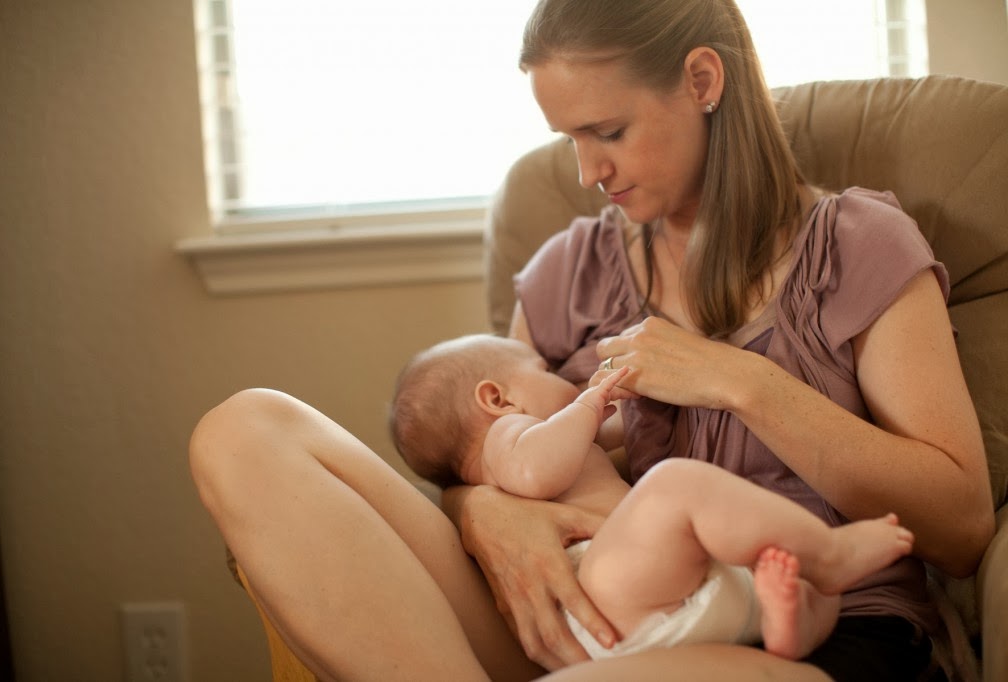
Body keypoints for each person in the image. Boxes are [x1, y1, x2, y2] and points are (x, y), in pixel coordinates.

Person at [189, 0, 995, 680]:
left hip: (807, 631)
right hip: (585, 616)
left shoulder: (858, 246)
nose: (586, 173)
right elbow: (490, 444)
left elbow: (960, 530)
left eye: (606, 130)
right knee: (245, 430)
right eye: (569, 138)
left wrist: (740, 382)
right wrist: (480, 511)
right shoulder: (565, 274)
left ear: (702, 81)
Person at [390, 333, 915, 661]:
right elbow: (535, 471)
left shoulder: (539, 445)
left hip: (655, 600)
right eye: (545, 372)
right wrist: (588, 404)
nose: (564, 380)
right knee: (673, 484)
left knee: (789, 579)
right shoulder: (509, 440)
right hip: (601, 591)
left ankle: (792, 627)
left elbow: (608, 436)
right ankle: (829, 552)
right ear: (497, 398)